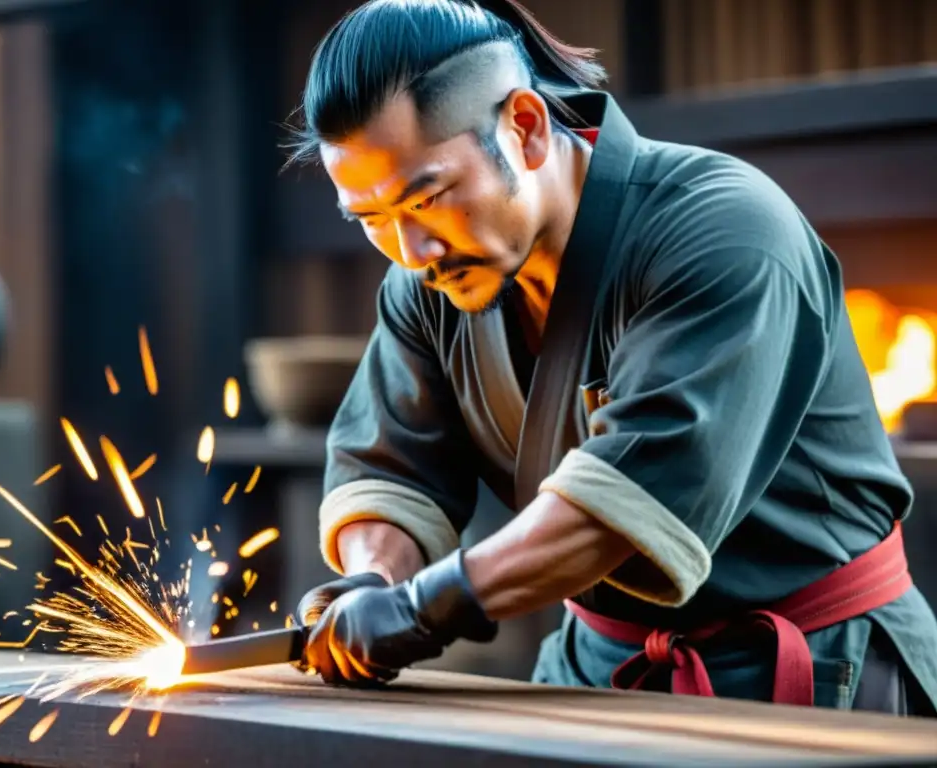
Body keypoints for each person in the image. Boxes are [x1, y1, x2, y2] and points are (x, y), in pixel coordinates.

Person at [285, 0, 937, 714]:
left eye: (429, 197)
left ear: (526, 128)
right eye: (373, 220)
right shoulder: (428, 282)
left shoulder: (726, 231)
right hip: (593, 669)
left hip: (816, 671)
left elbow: (623, 504)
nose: (413, 251)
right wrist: (376, 581)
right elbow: (390, 466)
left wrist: (422, 608)